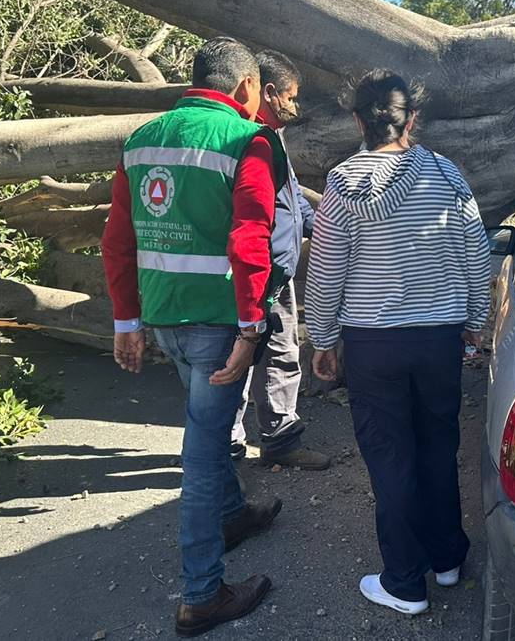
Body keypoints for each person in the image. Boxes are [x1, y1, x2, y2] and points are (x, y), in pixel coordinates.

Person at [101, 37, 287, 637]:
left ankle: (232, 516)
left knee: (205, 430)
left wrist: (126, 321)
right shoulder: (247, 140)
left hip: (164, 318)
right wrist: (253, 326)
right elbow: (250, 240)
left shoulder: (140, 140)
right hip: (219, 325)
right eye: (259, 90)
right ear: (244, 89)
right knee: (203, 456)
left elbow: (119, 241)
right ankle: (202, 594)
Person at [305, 69, 492, 615]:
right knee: (438, 445)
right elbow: (475, 253)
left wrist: (322, 338)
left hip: (373, 345)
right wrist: (475, 321)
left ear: (359, 120)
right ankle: (448, 558)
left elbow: (327, 269)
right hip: (438, 340)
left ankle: (405, 582)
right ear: (411, 118)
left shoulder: (341, 184)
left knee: (389, 456)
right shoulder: (445, 174)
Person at [229, 50, 331, 471]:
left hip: (277, 272)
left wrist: (322, 228)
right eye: (292, 96)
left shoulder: (272, 140)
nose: (296, 105)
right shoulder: (244, 139)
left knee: (283, 353)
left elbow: (290, 200)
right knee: (238, 360)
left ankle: (280, 440)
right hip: (256, 272)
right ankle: (230, 445)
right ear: (268, 93)